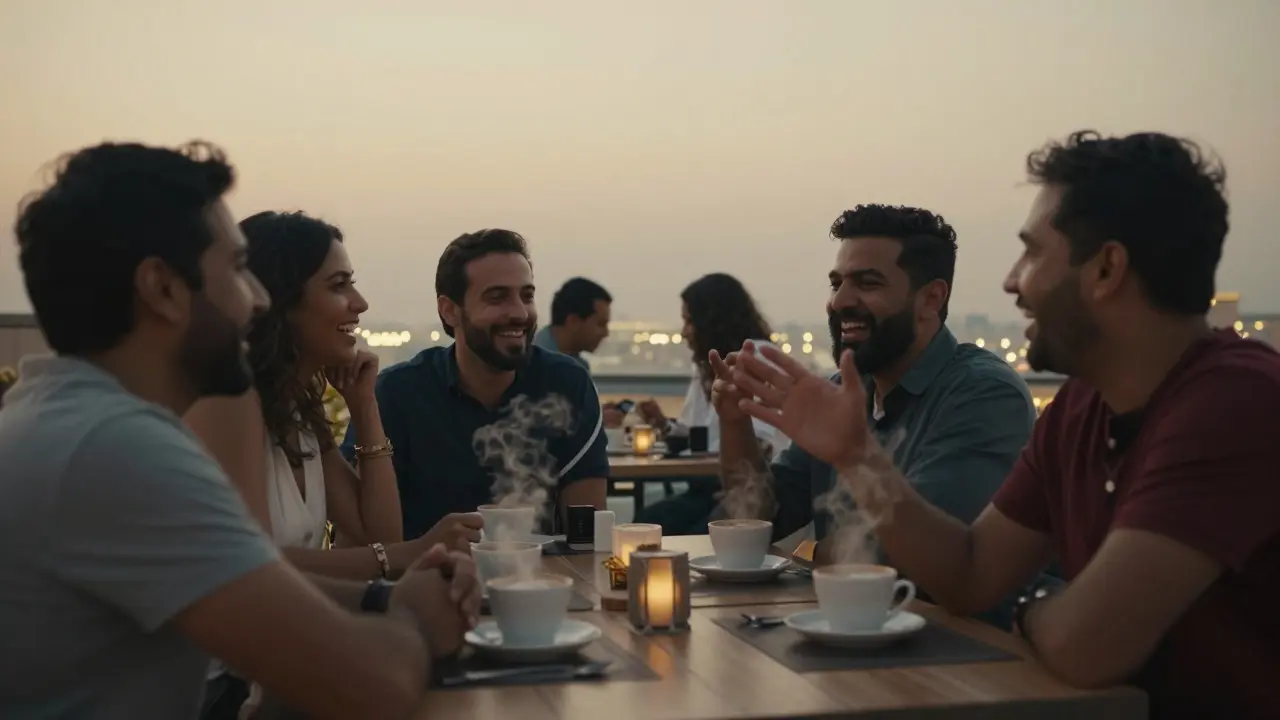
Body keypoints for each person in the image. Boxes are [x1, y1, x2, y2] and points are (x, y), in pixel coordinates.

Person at [731, 131, 1280, 718]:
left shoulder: (1235, 402)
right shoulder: (1078, 410)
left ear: (1106, 269)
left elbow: (1084, 648)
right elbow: (968, 575)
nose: (1012, 281)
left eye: (1033, 253)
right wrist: (857, 457)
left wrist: (1029, 605)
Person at [0, 141, 479, 719]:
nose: (256, 302)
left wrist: (386, 597)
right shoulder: (113, 451)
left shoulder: (68, 418)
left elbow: (252, 575)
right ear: (163, 289)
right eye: (235, 270)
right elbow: (374, 687)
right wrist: (411, 616)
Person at [184, 211, 482, 718]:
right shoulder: (230, 408)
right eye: (339, 286)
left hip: (276, 664)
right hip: (218, 691)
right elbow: (255, 569)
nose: (360, 305)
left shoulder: (297, 407)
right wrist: (407, 561)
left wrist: (365, 408)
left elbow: (375, 533)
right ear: (281, 301)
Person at [712, 204, 1036, 627]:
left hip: (959, 652)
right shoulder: (848, 392)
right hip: (852, 632)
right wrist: (734, 419)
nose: (841, 301)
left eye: (867, 283)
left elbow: (912, 562)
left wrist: (812, 551)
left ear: (930, 299)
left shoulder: (983, 395)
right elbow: (758, 520)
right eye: (836, 283)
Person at [342, 229, 609, 540]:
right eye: (497, 298)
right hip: (422, 583)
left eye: (527, 295)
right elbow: (360, 539)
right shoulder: (396, 394)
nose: (520, 313)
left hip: (538, 581)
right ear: (449, 310)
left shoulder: (566, 384)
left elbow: (586, 541)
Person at [634, 273, 790, 534]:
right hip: (707, 486)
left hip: (748, 492)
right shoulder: (708, 366)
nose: (684, 332)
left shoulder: (756, 357)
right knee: (646, 523)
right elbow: (694, 433)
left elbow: (762, 445)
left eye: (689, 321)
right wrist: (664, 424)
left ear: (713, 319)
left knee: (680, 534)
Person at [532, 276, 626, 427]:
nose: (606, 333)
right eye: (600, 324)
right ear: (573, 321)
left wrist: (596, 413)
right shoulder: (533, 363)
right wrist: (596, 421)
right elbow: (536, 425)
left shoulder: (579, 366)